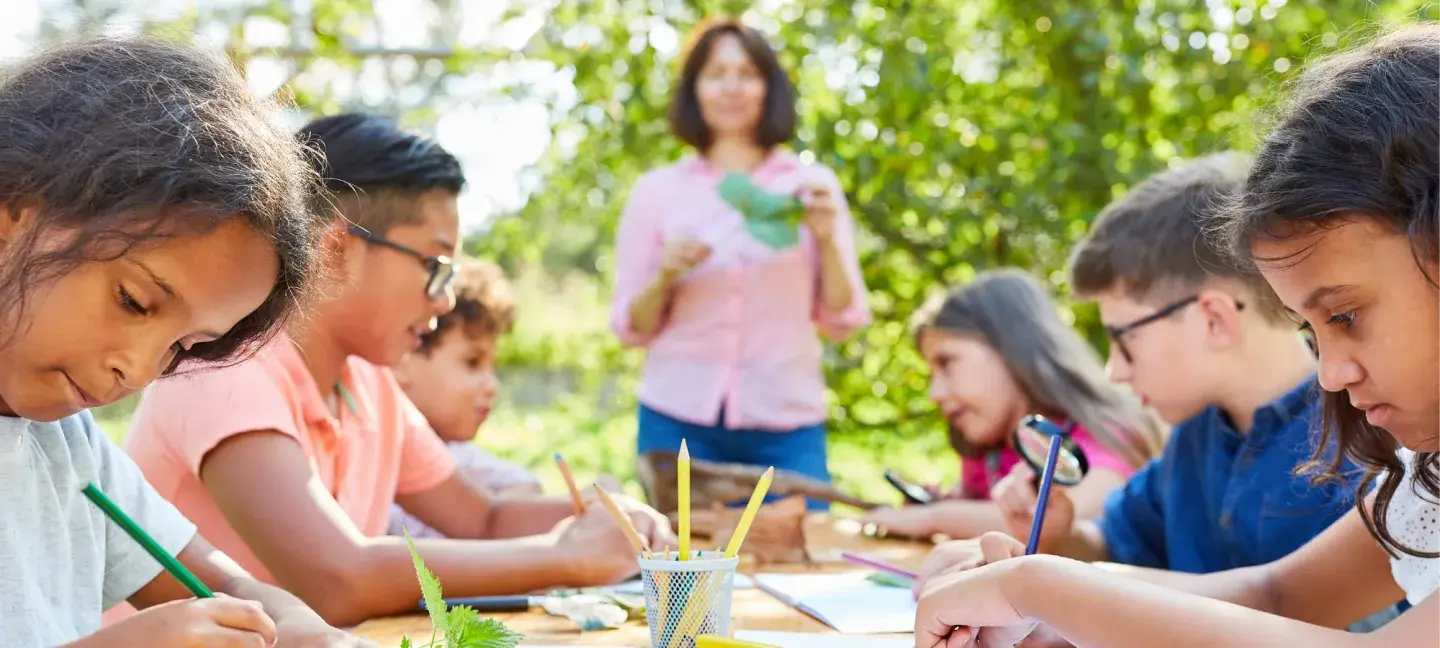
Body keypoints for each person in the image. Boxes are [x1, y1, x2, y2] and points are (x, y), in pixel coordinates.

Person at [912, 25, 1438, 648]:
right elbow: (1274, 593)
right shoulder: (1421, 480)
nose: (1329, 373)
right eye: (1312, 328)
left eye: (1346, 315)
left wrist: (1038, 590)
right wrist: (1035, 592)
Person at [123, 113, 675, 627]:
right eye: (436, 268)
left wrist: (620, 524)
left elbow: (481, 518)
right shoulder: (225, 368)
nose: (445, 300)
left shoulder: (368, 386)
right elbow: (336, 578)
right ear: (335, 250)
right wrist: (565, 557)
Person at [0, 37, 367, 647]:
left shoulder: (71, 449)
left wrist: (295, 628)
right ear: (14, 210)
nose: (141, 371)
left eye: (185, 345)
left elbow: (236, 592)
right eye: (135, 301)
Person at [970, 154, 1363, 582]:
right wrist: (1057, 535)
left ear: (1214, 320)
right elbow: (1108, 543)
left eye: (1124, 341)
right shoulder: (1196, 436)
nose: (1114, 372)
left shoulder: (1361, 448)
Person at [610, 20, 870, 510]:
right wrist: (664, 275)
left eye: (747, 73)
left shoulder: (809, 186)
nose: (732, 86)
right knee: (683, 575)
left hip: (786, 423)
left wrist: (828, 240)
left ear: (768, 88)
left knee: (804, 559)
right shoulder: (657, 192)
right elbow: (632, 327)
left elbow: (842, 317)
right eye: (716, 73)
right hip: (677, 420)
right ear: (695, 90)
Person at [859, 270, 1166, 540]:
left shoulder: (1101, 433)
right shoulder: (990, 450)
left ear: (1013, 350)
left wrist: (935, 518)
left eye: (947, 363)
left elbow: (1075, 517)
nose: (934, 393)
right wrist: (953, 503)